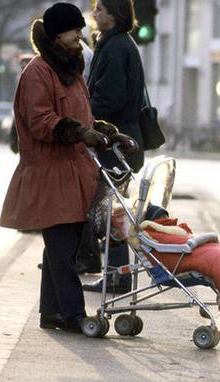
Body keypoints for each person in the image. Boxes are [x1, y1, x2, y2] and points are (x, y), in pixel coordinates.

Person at [0, 2, 136, 332]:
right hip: (49, 173)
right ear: (59, 34)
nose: (81, 35)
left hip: (73, 173)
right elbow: (41, 121)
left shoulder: (70, 70)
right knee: (61, 249)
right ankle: (73, 314)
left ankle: (52, 313)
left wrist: (108, 132)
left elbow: (83, 116)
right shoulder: (38, 72)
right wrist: (80, 133)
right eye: (75, 31)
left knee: (64, 247)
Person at [83, 0, 147, 294]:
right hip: (123, 141)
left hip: (116, 143)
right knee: (114, 212)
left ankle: (117, 277)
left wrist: (84, 119)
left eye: (99, 9)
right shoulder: (118, 43)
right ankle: (117, 274)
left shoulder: (115, 47)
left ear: (114, 14)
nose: (94, 14)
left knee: (111, 213)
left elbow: (108, 99)